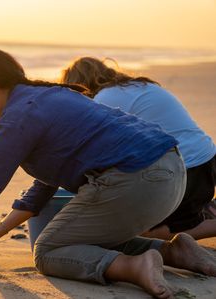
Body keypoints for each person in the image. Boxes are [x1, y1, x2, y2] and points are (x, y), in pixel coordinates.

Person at [0, 47, 216, 299]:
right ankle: (175, 251)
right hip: (173, 173)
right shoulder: (50, 97)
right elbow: (43, 187)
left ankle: (135, 265)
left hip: (136, 180)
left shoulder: (18, 119)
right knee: (83, 238)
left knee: (49, 251)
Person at [62, 57, 216, 240]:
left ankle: (205, 220)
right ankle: (201, 210)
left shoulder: (105, 98)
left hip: (187, 170)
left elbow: (90, 147)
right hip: (206, 162)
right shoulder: (140, 86)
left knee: (143, 234)